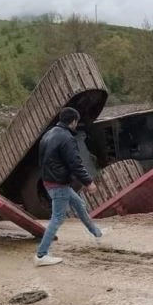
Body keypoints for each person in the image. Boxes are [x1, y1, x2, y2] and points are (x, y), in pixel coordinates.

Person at [34, 107, 104, 267]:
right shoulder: (66, 138)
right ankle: (41, 255)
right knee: (58, 218)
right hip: (58, 183)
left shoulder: (49, 133)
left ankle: (97, 233)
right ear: (73, 121)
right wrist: (88, 182)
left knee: (79, 204)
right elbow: (75, 164)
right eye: (76, 122)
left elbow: (42, 159)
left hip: (50, 181)